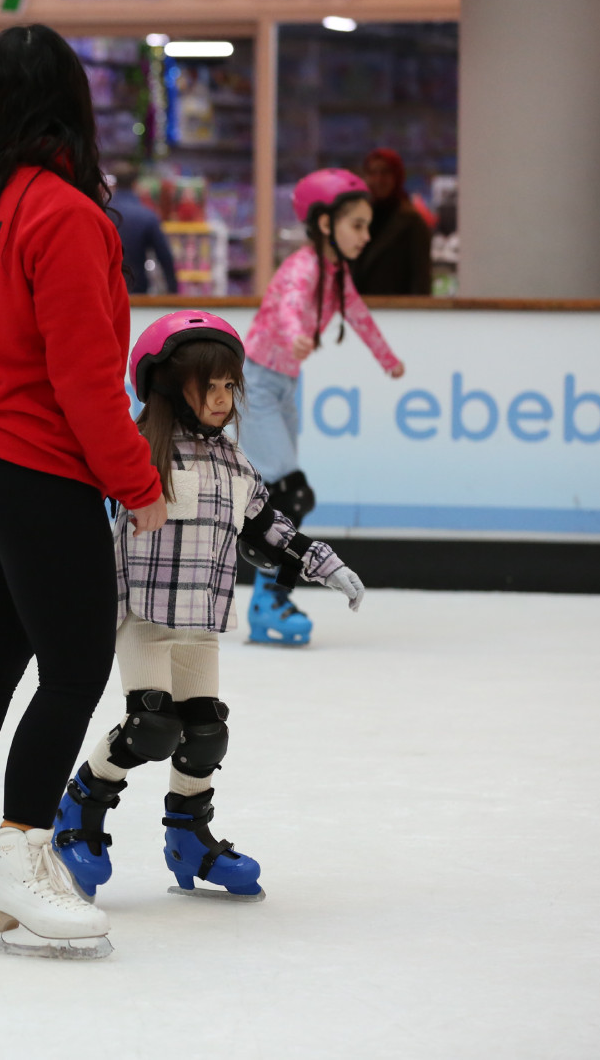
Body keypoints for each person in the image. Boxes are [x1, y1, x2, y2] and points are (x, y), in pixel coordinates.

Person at [0, 24, 168, 959]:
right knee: (77, 666)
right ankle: (19, 857)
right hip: (38, 468)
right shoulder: (68, 214)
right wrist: (136, 482)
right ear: (73, 103)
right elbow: (85, 379)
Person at [52, 311, 365, 902]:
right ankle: (80, 807)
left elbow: (271, 528)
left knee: (205, 735)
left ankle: (189, 839)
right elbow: (74, 507)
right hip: (144, 616)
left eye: (228, 386)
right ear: (169, 386)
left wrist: (326, 565)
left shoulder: (235, 462)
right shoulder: (137, 449)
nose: (222, 399)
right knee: (151, 728)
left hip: (202, 623)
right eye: (208, 386)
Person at [236, 168, 404, 648]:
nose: (365, 235)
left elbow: (360, 317)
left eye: (368, 225)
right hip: (258, 384)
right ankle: (269, 599)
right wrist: (295, 336)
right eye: (357, 225)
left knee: (283, 497)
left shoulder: (336, 273)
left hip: (284, 385)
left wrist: (388, 360)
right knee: (288, 495)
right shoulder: (304, 267)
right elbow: (289, 305)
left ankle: (269, 598)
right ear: (326, 224)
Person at [351, 147, 433, 297]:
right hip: (358, 306)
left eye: (385, 172)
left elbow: (421, 280)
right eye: (372, 173)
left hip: (394, 308)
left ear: (397, 176)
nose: (378, 179)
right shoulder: (357, 218)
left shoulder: (412, 222)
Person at [107, 176, 179, 295]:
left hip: (107, 289)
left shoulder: (102, 212)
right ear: (135, 185)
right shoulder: (147, 215)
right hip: (137, 289)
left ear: (115, 185)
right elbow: (164, 256)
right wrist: (172, 289)